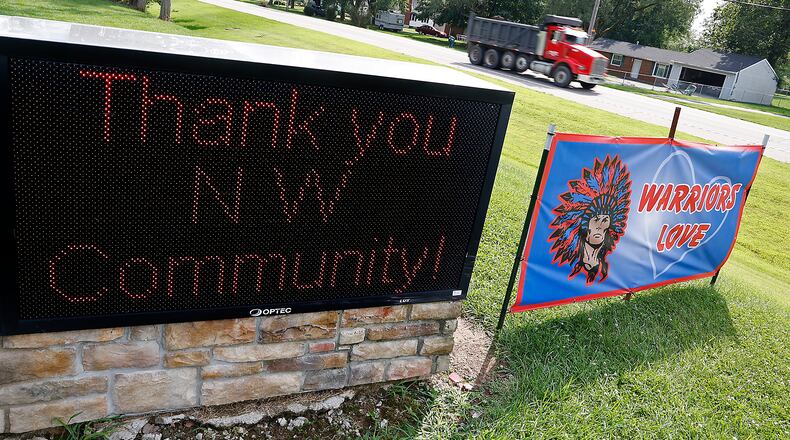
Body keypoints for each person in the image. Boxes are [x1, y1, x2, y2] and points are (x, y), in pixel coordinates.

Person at [548, 154, 631, 285]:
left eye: (605, 221)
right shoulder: (575, 254)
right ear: (586, 224)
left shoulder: (603, 258)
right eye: (596, 219)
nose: (599, 225)